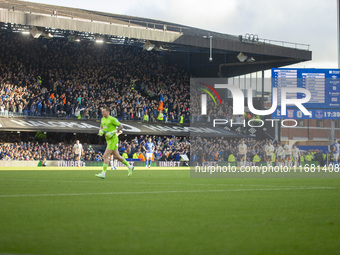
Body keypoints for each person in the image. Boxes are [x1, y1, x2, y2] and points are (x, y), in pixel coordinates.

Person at [95, 106, 134, 179]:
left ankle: (103, 173)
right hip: (108, 139)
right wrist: (100, 130)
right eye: (102, 112)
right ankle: (130, 166)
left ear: (107, 112)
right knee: (117, 156)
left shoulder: (112, 119)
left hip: (113, 139)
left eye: (103, 112)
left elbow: (121, 126)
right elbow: (101, 126)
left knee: (105, 155)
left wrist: (113, 132)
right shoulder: (102, 119)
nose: (102, 113)